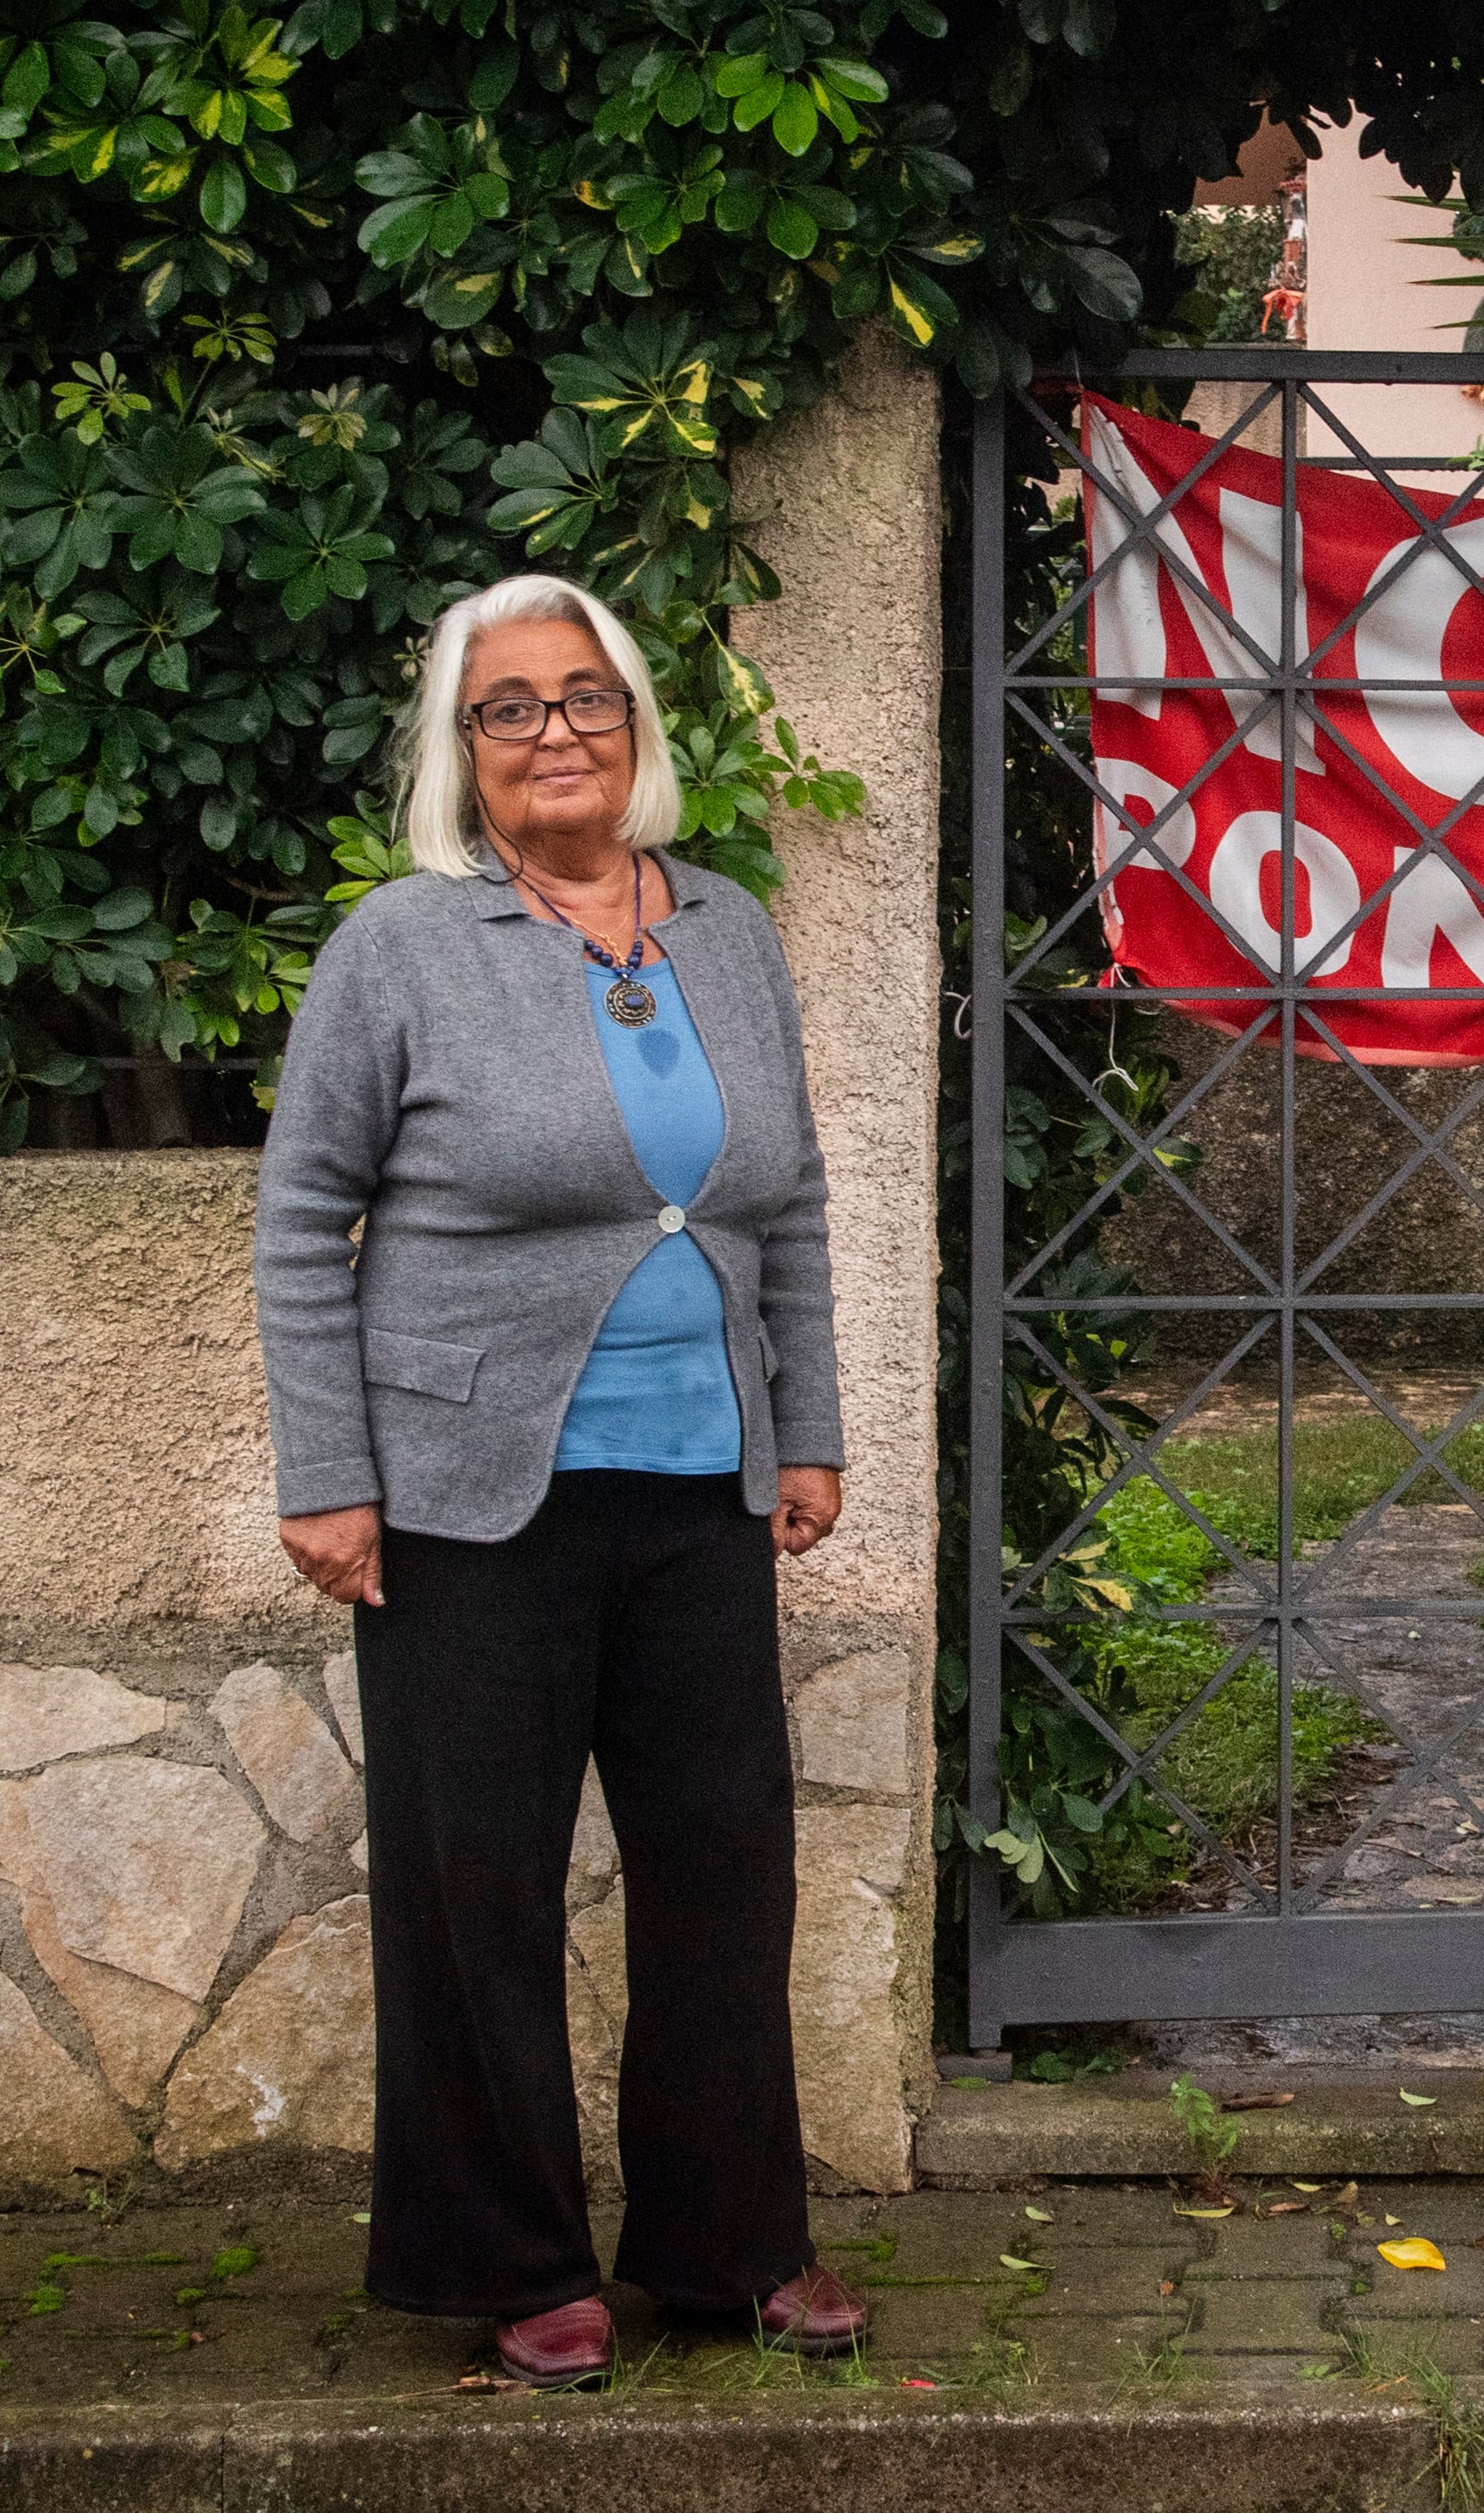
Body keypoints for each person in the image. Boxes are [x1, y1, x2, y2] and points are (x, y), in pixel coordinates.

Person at [252, 570, 867, 2382]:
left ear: (635, 725)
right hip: (463, 1501)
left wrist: (806, 1424)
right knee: (478, 1892)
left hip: (697, 1492)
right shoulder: (404, 947)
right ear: (462, 747)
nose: (552, 736)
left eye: (582, 697)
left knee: (719, 1871)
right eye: (507, 707)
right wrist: (326, 1471)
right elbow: (303, 1215)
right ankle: (513, 2260)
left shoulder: (728, 930)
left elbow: (789, 1203)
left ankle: (727, 2244)